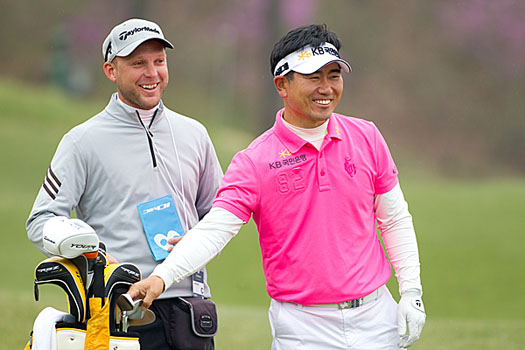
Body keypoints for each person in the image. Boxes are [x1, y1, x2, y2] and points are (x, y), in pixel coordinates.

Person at [129, 24, 426, 349]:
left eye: (334, 75)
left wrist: (411, 292)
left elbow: (394, 219)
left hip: (376, 315)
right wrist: (162, 277)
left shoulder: (366, 136)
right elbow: (214, 230)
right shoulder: (254, 161)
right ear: (282, 84)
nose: (326, 88)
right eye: (314, 77)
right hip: (303, 327)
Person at [26, 18, 223, 350]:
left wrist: (196, 240)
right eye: (137, 63)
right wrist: (89, 250)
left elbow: (219, 215)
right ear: (111, 70)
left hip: (189, 309)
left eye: (159, 61)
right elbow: (41, 221)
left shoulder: (195, 134)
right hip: (118, 309)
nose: (152, 73)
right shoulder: (81, 142)